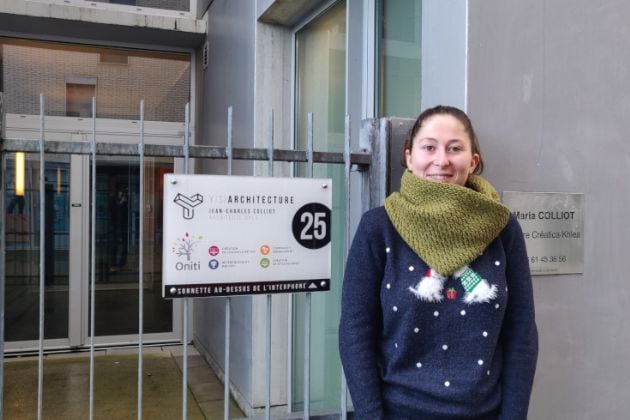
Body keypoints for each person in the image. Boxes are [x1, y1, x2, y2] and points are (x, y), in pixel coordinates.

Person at [339, 105, 538, 419]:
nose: (441, 160)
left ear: (473, 161)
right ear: (409, 156)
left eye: (455, 148)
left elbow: (521, 334)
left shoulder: (503, 229)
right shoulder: (379, 228)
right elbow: (355, 332)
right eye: (429, 147)